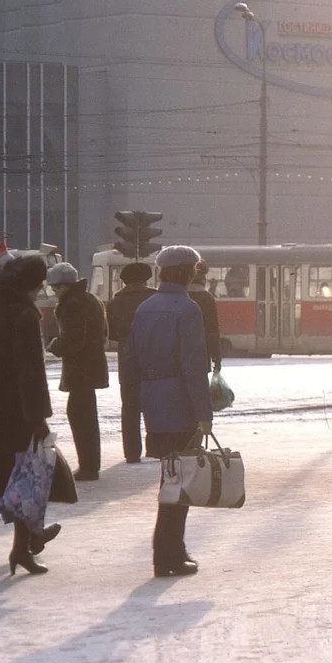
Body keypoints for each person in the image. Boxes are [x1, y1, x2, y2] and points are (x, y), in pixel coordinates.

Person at [122, 245, 213, 578]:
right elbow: (193, 366)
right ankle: (168, 555)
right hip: (181, 404)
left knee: (170, 478)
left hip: (154, 402)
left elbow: (130, 359)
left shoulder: (145, 307)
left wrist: (140, 401)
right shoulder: (187, 309)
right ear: (189, 272)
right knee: (180, 481)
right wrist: (204, 414)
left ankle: (173, 550)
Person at [0, 256, 61, 575]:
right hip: (16, 413)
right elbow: (30, 373)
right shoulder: (25, 316)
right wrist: (38, 417)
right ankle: (22, 549)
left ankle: (24, 547)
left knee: (8, 479)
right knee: (18, 480)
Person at [46, 262, 109, 482]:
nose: (54, 292)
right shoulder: (91, 299)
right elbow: (104, 332)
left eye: (55, 288)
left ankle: (88, 467)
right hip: (93, 366)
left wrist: (55, 345)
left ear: (64, 286)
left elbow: (74, 339)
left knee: (80, 417)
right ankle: (91, 465)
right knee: (87, 417)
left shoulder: (70, 303)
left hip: (80, 368)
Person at [106, 262, 157, 463]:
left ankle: (131, 452)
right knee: (155, 404)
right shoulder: (155, 298)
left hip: (127, 359)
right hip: (154, 356)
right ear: (146, 278)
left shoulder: (115, 302)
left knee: (129, 407)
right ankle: (155, 447)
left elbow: (113, 334)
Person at [188, 261, 223, 373]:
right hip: (201, 354)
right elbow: (212, 330)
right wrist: (216, 357)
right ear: (203, 280)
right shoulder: (207, 298)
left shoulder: (180, 296)